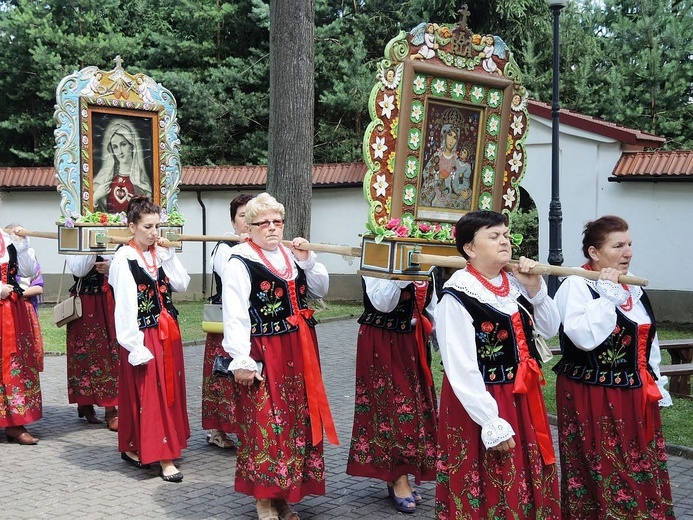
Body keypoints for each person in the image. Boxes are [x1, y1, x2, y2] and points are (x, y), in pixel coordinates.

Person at [434, 210, 561, 518]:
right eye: (493, 236)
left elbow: (550, 328)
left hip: (523, 397)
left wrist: (535, 289)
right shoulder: (457, 296)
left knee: (525, 471)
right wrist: (490, 421)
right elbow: (460, 367)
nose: (504, 241)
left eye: (506, 234)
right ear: (470, 248)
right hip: (484, 400)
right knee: (491, 477)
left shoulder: (514, 284)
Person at [220, 192, 337, 520]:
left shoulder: (291, 255)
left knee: (296, 423)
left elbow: (321, 288)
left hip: (300, 351)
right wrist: (240, 358)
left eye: (277, 222)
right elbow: (235, 313)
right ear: (249, 227)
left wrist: (308, 258)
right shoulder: (240, 260)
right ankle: (263, 497)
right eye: (264, 223)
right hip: (266, 351)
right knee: (267, 424)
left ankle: (283, 494)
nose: (272, 228)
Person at [553, 215, 675, 519]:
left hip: (634, 394)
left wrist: (656, 381)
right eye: (618, 245)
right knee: (605, 470)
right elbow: (583, 339)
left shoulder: (633, 285)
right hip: (593, 394)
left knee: (638, 467)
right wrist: (606, 296)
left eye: (630, 244)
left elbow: (648, 341)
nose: (628, 252)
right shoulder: (577, 285)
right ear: (595, 252)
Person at [109, 196, 190, 482]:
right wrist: (134, 345)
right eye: (147, 227)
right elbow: (125, 307)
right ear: (132, 227)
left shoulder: (159, 254)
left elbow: (181, 284)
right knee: (149, 393)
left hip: (168, 330)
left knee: (166, 390)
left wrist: (171, 255)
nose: (154, 233)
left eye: (157, 226)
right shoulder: (124, 258)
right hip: (143, 334)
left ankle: (135, 445)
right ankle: (163, 458)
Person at [346, 276, 438, 513]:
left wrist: (437, 330)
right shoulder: (378, 255)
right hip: (383, 339)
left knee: (414, 406)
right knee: (392, 407)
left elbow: (429, 302)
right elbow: (382, 303)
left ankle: (399, 471)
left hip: (413, 341)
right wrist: (399, 276)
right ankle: (398, 476)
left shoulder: (422, 254)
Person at [201, 193, 253, 449]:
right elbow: (234, 283)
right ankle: (218, 429)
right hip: (227, 323)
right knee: (223, 376)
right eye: (241, 216)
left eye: (250, 216)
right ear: (233, 222)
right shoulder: (225, 248)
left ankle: (247, 426)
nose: (246, 221)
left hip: (253, 325)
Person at [65, 254, 119, 431]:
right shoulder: (75, 237)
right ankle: (84, 401)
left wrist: (110, 267)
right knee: (83, 352)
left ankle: (111, 408)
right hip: (85, 302)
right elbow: (79, 269)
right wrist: (91, 245)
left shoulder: (116, 233)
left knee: (110, 351)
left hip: (110, 299)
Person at [0, 225, 41, 444]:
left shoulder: (5, 238)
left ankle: (14, 423)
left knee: (14, 364)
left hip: (11, 310)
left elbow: (26, 272)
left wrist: (22, 245)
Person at [93, 119, 152, 213]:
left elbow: (149, 211)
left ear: (132, 146)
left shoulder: (141, 180)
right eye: (115, 147)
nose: (119, 152)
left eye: (123, 144)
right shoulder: (106, 178)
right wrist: (96, 196)